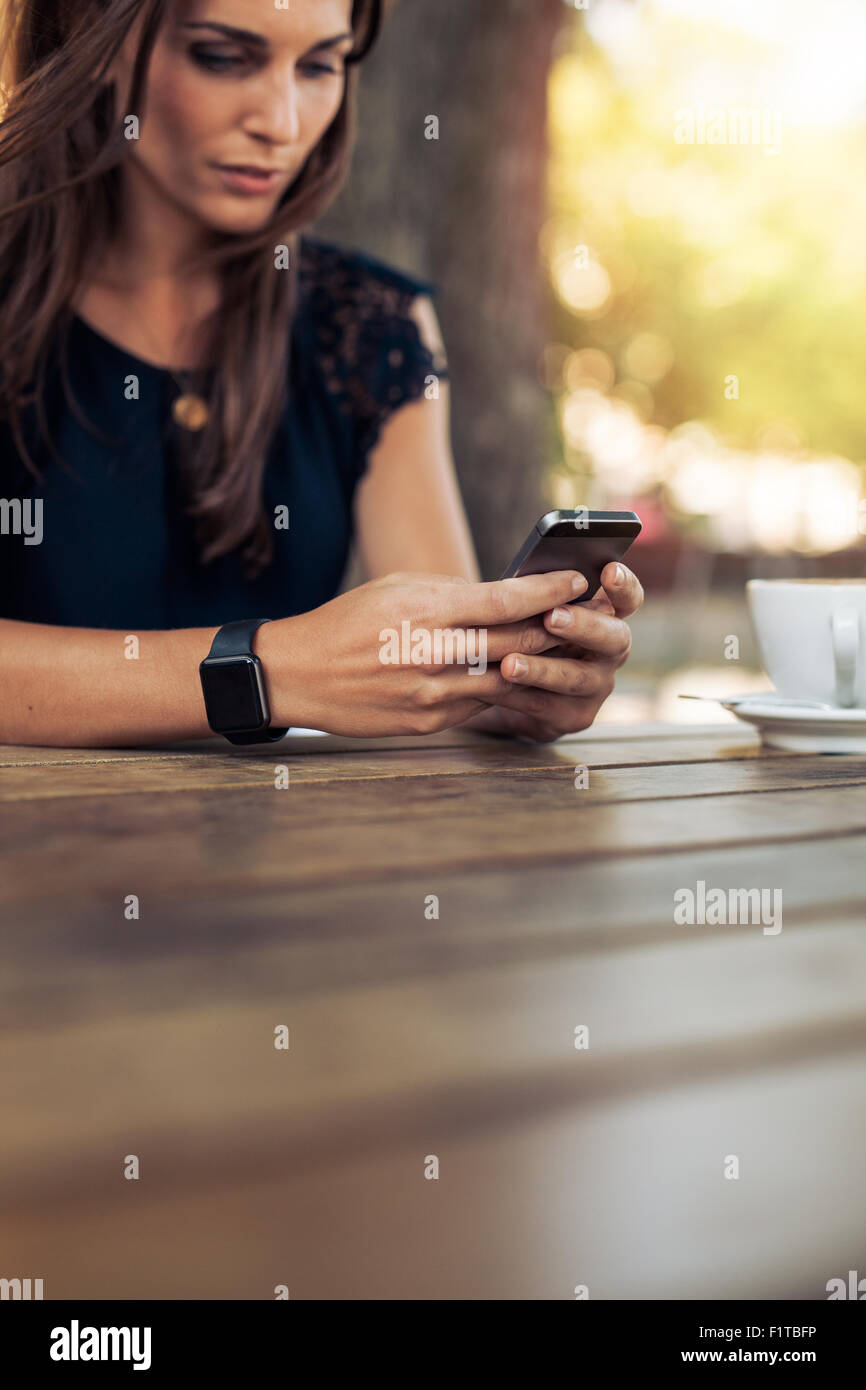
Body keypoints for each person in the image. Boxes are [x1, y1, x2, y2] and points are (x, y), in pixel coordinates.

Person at [0, 0, 643, 748]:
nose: (282, 121)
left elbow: (442, 670)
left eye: (318, 66)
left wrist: (520, 685)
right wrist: (267, 671)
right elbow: (291, 673)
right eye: (223, 57)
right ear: (92, 38)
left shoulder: (370, 325)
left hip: (275, 851)